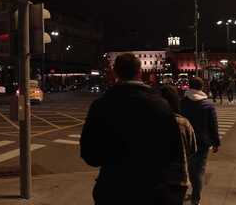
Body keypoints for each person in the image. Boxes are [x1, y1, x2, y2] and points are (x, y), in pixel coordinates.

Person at [80, 53, 181, 204]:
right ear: (139, 72)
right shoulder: (160, 105)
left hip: (113, 188)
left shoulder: (101, 106)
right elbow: (173, 150)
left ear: (115, 72)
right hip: (151, 188)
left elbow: (89, 153)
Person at [180, 77, 220, 205]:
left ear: (189, 87)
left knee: (191, 168)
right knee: (200, 169)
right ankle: (196, 197)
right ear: (202, 87)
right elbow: (213, 125)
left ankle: (193, 192)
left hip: (186, 140)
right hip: (203, 142)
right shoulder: (207, 104)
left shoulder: (182, 102)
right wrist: (216, 142)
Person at [161, 85, 198, 205]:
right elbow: (192, 149)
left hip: (158, 177)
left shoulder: (150, 122)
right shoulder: (183, 123)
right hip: (179, 177)